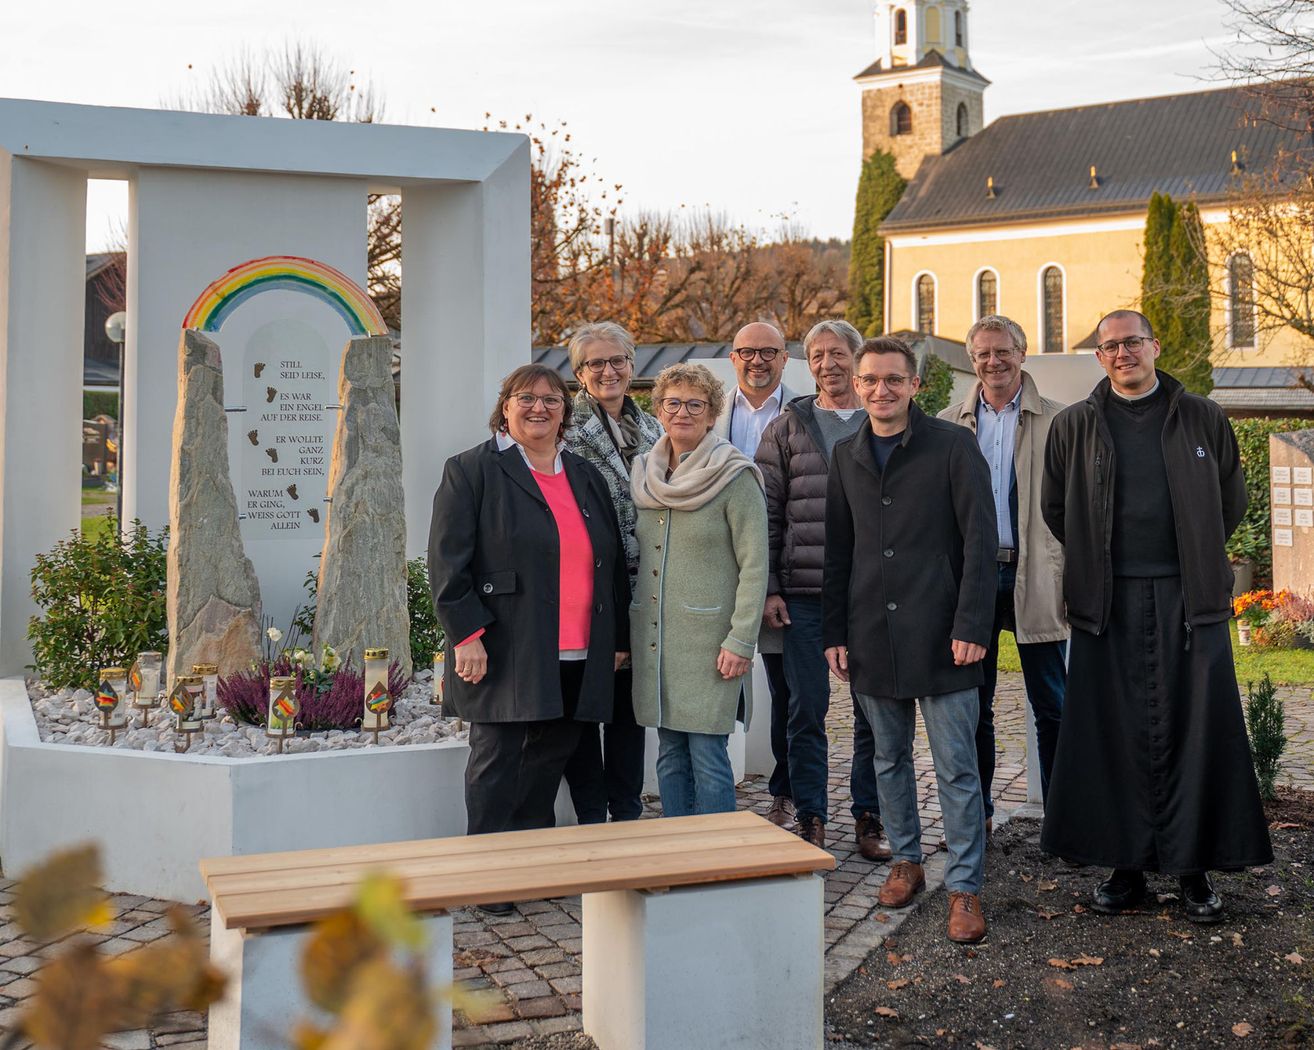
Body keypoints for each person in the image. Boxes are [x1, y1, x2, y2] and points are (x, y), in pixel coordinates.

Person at [1040, 309, 1272, 923]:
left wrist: (1192, 552)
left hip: (1189, 600)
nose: (1122, 353)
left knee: (1198, 732)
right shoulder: (1073, 426)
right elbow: (1055, 508)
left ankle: (1194, 872)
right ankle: (1126, 869)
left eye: (1133, 342)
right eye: (1110, 346)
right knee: (1112, 735)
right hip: (1106, 603)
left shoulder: (1202, 416)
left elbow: (1231, 500)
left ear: (1155, 345)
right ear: (1099, 357)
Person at [428, 363, 631, 914]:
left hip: (578, 645)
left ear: (566, 411)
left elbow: (608, 558)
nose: (539, 408)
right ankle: (490, 877)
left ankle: (532, 866)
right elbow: (448, 563)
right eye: (526, 398)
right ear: (506, 406)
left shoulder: (584, 473)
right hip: (505, 642)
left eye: (551, 399)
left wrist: (616, 638)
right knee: (498, 759)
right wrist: (466, 634)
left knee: (549, 758)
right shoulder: (473, 470)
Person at [823, 336, 996, 944]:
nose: (880, 390)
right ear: (857, 383)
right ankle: (907, 862)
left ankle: (966, 886)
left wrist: (973, 625)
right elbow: (838, 550)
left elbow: (981, 541)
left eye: (893, 379)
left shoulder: (953, 445)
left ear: (914, 385)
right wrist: (835, 632)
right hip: (873, 633)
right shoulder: (846, 454)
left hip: (946, 636)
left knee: (956, 767)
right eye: (870, 380)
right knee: (889, 759)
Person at [756, 319, 889, 858]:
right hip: (804, 593)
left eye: (839, 353)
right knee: (805, 710)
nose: (829, 364)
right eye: (817, 356)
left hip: (872, 593)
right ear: (805, 364)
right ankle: (811, 814)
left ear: (857, 359)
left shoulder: (884, 420)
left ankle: (869, 815)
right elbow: (764, 511)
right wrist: (768, 586)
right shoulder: (787, 427)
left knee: (873, 710)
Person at [939, 315, 1068, 828]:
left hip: (1036, 573)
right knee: (973, 705)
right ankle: (978, 815)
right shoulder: (948, 425)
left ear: (1022, 352)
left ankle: (1063, 815)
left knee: (1052, 702)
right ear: (972, 361)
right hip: (972, 581)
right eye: (983, 354)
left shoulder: (1059, 421)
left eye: (1003, 351)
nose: (993, 361)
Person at [631, 362, 769, 816]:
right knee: (669, 752)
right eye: (673, 403)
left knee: (709, 756)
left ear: (712, 414)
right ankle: (677, 855)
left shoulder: (735, 475)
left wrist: (741, 640)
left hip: (712, 642)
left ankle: (719, 864)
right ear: (660, 411)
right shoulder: (644, 473)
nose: (683, 412)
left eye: (696, 404)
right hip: (657, 640)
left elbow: (755, 566)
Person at [562, 322, 664, 823]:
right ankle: (589, 812)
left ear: (632, 363)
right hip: (588, 584)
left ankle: (625, 811)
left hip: (643, 583)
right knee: (585, 700)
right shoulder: (565, 430)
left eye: (617, 360)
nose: (608, 371)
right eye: (595, 364)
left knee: (629, 705)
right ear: (579, 374)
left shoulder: (654, 428)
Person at [714, 321, 803, 829]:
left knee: (788, 688)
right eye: (747, 351)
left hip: (781, 568)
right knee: (715, 679)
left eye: (768, 351)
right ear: (733, 357)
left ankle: (786, 790)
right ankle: (712, 784)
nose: (757, 360)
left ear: (785, 358)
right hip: (717, 567)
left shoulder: (801, 415)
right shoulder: (711, 413)